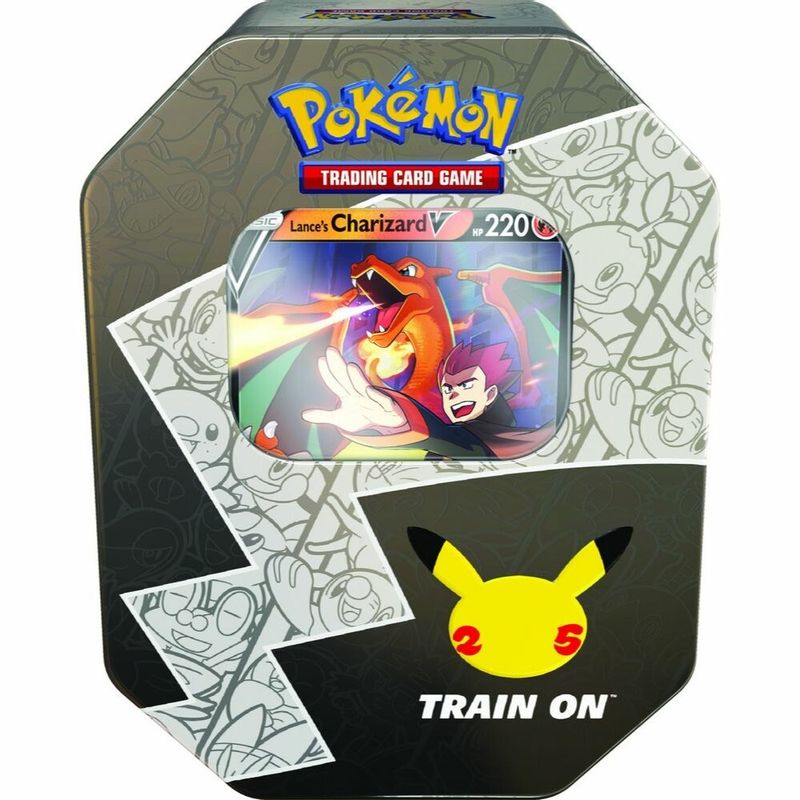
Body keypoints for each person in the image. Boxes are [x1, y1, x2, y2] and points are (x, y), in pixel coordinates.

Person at [302, 343, 553, 459]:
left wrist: (402, 421)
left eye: (466, 385)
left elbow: (464, 444)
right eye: (447, 389)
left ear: (489, 394)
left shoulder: (508, 442)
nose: (453, 395)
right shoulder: (449, 446)